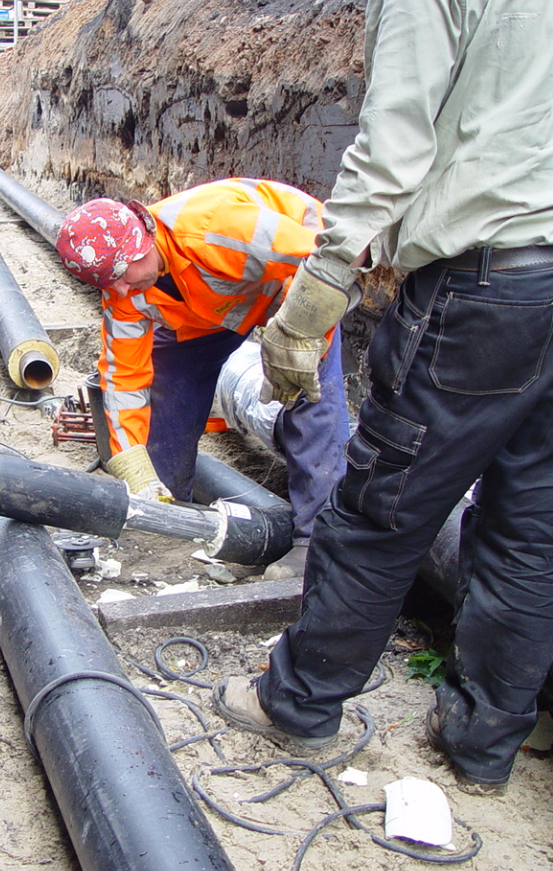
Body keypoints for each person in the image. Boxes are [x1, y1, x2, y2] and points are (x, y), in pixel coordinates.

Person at [213, 0, 553, 796]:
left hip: (490, 284)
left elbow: (393, 144)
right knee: (529, 530)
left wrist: (317, 295)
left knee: (382, 510)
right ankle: (484, 743)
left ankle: (299, 704)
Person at [55, 179, 352, 579]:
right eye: (108, 282)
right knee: (166, 385)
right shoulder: (123, 288)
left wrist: (303, 330)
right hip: (213, 310)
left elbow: (332, 260)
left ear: (143, 236)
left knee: (308, 396)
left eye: (123, 273)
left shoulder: (216, 229)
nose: (121, 288)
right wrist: (134, 468)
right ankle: (167, 512)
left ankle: (317, 542)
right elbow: (123, 380)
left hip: (298, 283)